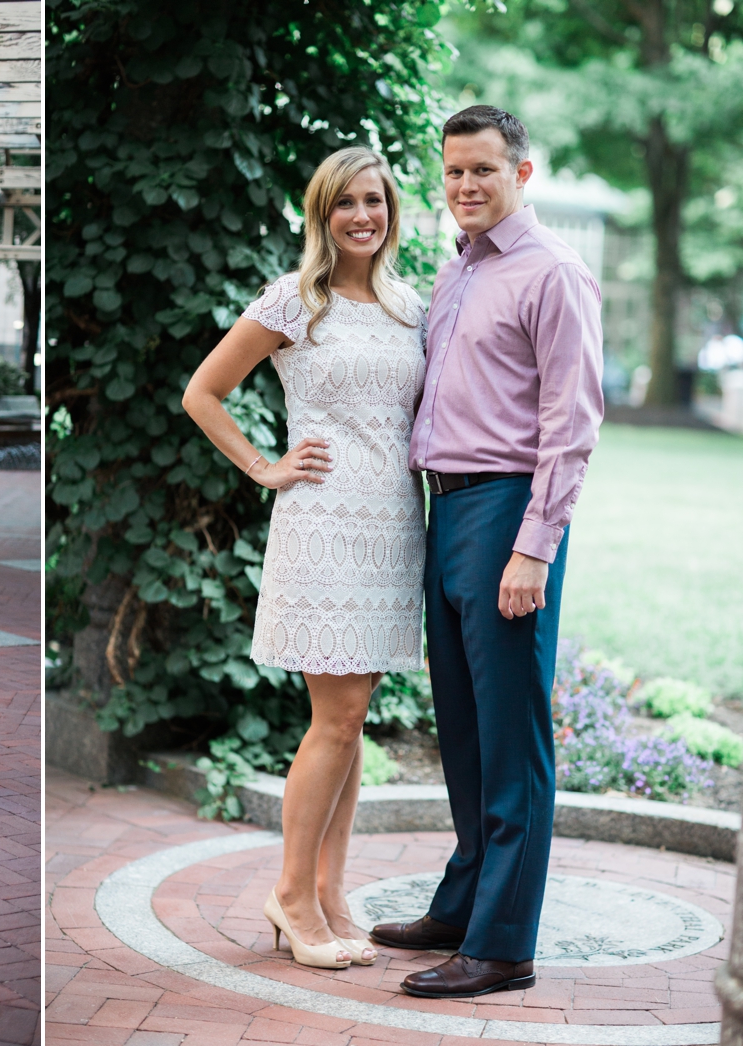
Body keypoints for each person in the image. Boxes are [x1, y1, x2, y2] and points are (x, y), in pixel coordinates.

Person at [370, 106, 604, 998]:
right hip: (446, 513)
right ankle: (464, 903)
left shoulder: (555, 273)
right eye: (454, 172)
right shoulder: (454, 273)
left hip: (509, 514)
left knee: (513, 738)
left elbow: (571, 427)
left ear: (523, 173)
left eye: (484, 171)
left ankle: (503, 945)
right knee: (462, 729)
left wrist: (534, 551)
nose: (467, 186)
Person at [183, 147, 426, 970]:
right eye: (344, 204)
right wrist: (263, 466)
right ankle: (289, 895)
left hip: (392, 525)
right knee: (337, 716)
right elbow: (202, 392)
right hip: (322, 523)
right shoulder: (296, 299)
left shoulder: (407, 305)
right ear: (321, 215)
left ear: (391, 211)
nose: (363, 216)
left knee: (352, 721)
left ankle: (329, 892)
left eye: (375, 201)